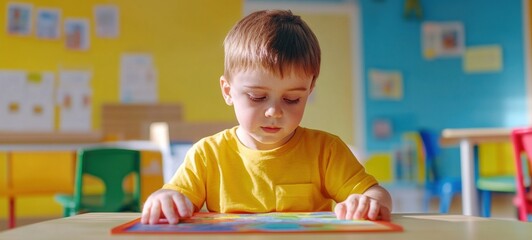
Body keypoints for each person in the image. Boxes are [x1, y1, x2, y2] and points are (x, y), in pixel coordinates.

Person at [141, 9, 392, 225]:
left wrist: (368, 202)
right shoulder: (208, 154)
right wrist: (165, 198)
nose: (274, 111)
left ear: (309, 91)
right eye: (257, 97)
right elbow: (174, 195)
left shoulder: (326, 151)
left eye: (292, 99)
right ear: (228, 91)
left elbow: (378, 195)